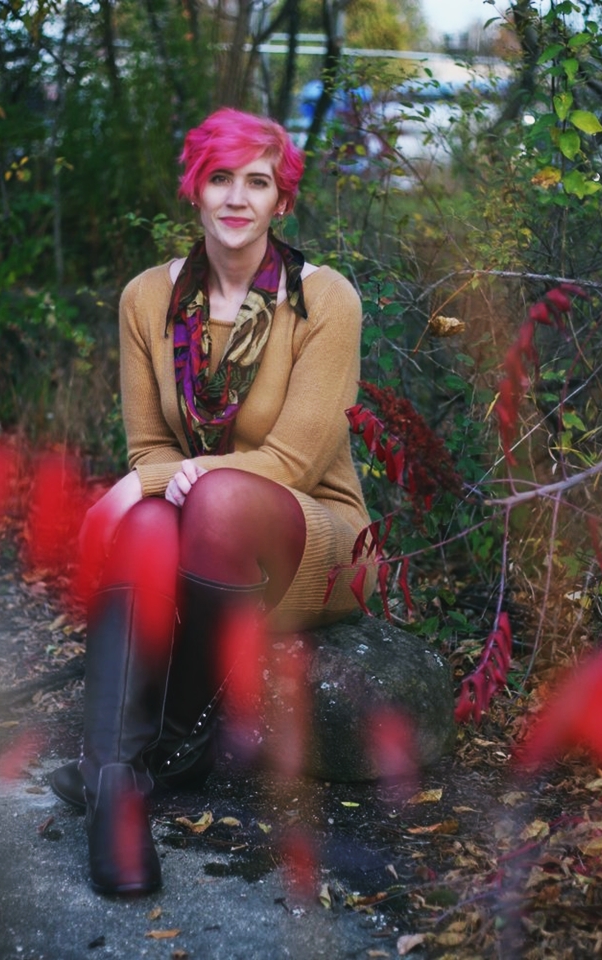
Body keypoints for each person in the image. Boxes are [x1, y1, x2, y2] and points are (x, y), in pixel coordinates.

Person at [50, 107, 372, 895]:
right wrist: (150, 483)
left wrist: (141, 484)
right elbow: (152, 452)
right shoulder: (144, 301)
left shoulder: (323, 300)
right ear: (193, 190)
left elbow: (295, 458)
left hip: (312, 538)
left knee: (210, 496)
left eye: (257, 182)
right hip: (191, 533)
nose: (237, 198)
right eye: (219, 178)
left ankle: (181, 744)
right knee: (157, 517)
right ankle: (120, 782)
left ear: (282, 201)